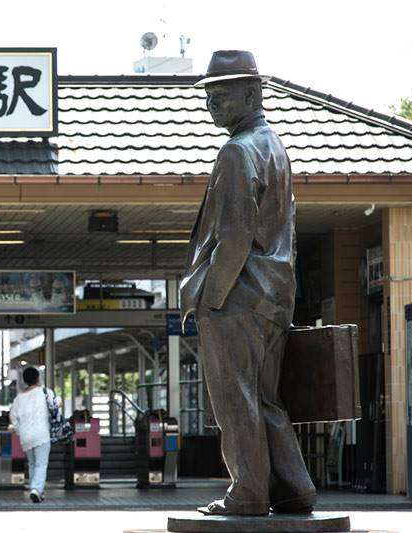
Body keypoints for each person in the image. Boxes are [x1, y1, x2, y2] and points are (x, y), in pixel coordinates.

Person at [181, 50, 316, 516]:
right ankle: (294, 489)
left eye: (221, 94)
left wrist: (206, 300)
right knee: (265, 399)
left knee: (236, 401)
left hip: (237, 299)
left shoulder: (238, 150)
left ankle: (249, 493)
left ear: (252, 93)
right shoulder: (272, 145)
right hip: (273, 297)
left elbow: (234, 237)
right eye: (209, 95)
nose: (212, 103)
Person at [9, 366, 57, 503]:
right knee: (41, 464)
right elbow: (55, 404)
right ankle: (36, 489)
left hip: (26, 437)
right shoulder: (44, 392)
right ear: (37, 378)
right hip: (42, 434)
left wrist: (19, 431)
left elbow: (13, 417)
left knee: (32, 463)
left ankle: (36, 491)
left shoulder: (19, 398)